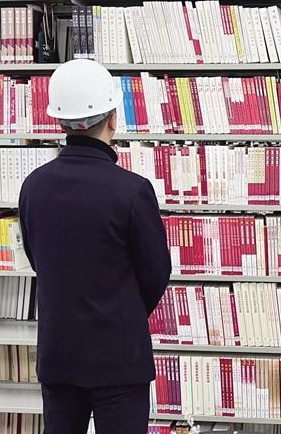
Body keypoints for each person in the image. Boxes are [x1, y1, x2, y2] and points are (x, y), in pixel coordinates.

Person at [19, 59, 171, 434]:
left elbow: (38, 259)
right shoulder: (132, 190)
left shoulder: (33, 186)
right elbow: (156, 274)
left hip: (59, 354)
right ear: (113, 118)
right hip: (119, 358)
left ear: (59, 121)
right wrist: (121, 312)